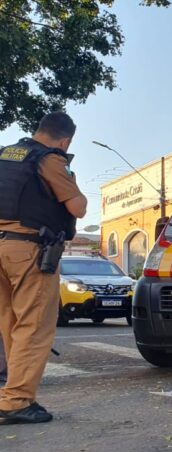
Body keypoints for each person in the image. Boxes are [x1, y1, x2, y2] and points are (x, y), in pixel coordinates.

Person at [0, 112, 87, 425]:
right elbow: (78, 207)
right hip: (28, 249)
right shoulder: (50, 160)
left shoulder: (6, 155)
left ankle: (12, 393)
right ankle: (16, 401)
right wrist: (72, 179)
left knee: (10, 323)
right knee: (34, 326)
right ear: (65, 140)